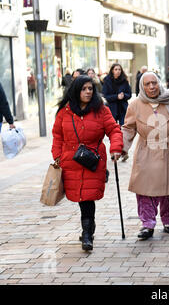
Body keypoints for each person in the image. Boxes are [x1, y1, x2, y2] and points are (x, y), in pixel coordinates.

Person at [52, 75, 123, 251]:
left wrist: (116, 148)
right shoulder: (64, 111)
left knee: (87, 197)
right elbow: (57, 135)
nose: (88, 92)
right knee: (80, 196)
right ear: (76, 90)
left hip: (93, 160)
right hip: (71, 160)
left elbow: (114, 130)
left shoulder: (101, 110)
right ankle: (89, 227)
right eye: (84, 89)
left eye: (90, 88)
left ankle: (86, 234)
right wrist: (58, 155)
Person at [122, 72, 169, 240]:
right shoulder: (135, 105)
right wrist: (121, 147)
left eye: (154, 83)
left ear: (160, 83)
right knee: (145, 190)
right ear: (141, 87)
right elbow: (128, 128)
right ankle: (147, 224)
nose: (151, 87)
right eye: (147, 84)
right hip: (146, 151)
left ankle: (167, 220)